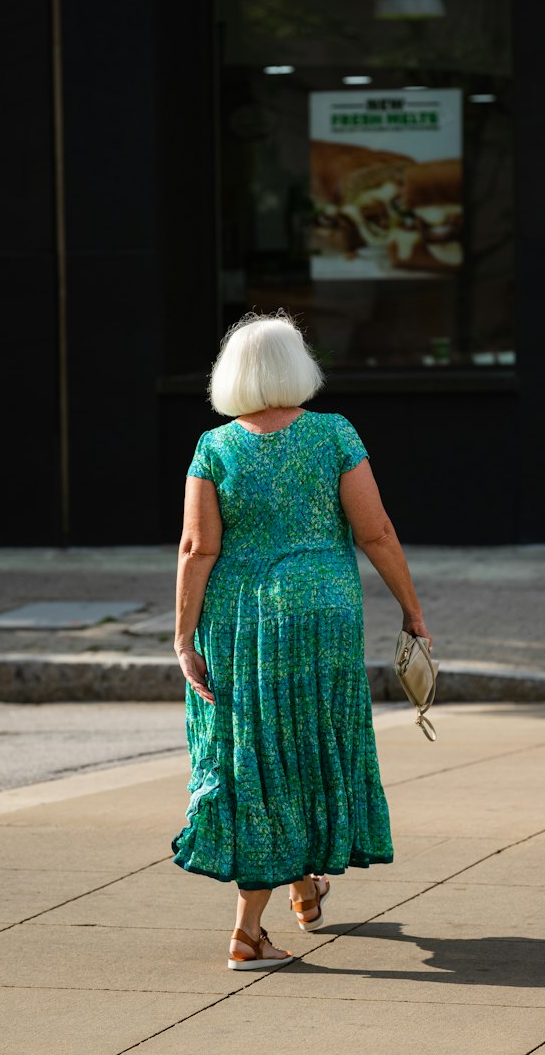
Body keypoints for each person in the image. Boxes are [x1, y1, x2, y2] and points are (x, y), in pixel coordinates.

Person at [172, 311, 432, 971]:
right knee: (308, 743)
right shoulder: (334, 434)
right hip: (322, 613)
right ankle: (247, 932)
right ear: (299, 368)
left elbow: (198, 547)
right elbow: (376, 532)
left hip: (239, 619)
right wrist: (412, 610)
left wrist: (181, 636)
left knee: (259, 752)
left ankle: (301, 887)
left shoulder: (214, 447)